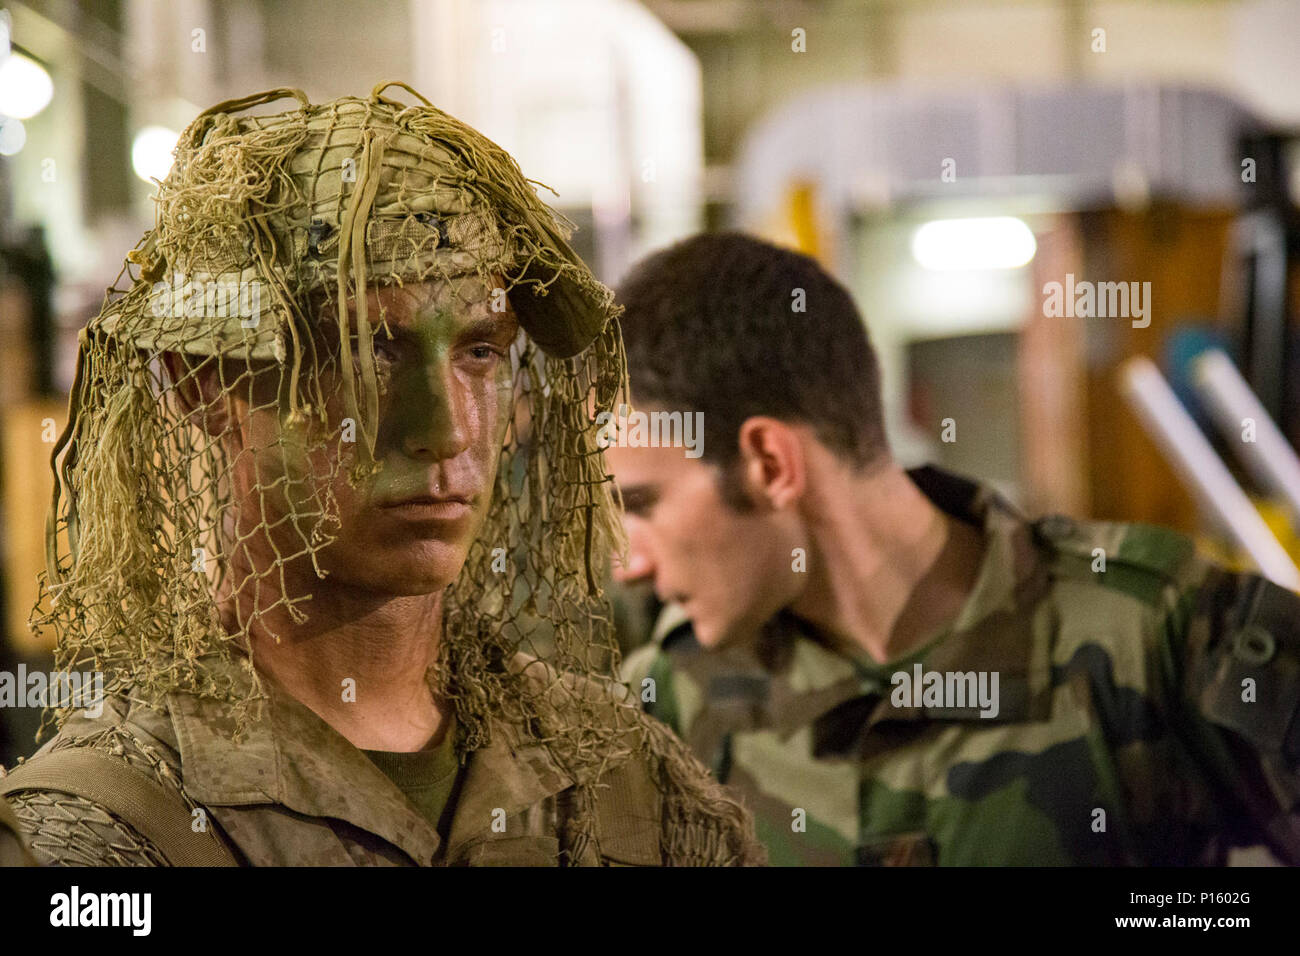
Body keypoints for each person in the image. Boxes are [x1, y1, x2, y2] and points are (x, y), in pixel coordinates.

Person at [0, 85, 760, 867]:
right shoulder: (101, 836)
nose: (448, 429)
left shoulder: (633, 784)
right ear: (203, 384)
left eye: (480, 351)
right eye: (368, 350)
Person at [610, 230, 1300, 866]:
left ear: (769, 463)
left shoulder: (1157, 632)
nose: (627, 565)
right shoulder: (666, 711)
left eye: (641, 504)